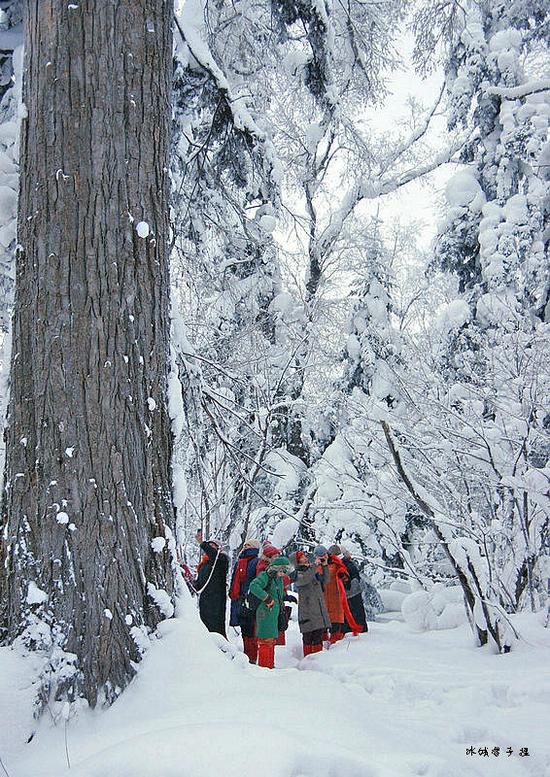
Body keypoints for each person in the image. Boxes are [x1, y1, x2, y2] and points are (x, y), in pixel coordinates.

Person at [248, 555, 292, 668]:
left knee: (271, 639)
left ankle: (270, 666)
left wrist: (287, 597)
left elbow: (278, 593)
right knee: (265, 639)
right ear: (276, 568)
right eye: (282, 571)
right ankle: (264, 667)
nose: (283, 574)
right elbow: (254, 586)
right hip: (265, 612)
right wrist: (267, 598)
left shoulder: (278, 579)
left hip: (273, 613)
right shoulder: (265, 575)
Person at [289, 550, 331, 657]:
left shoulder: (311, 570)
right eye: (302, 557)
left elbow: (325, 580)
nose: (305, 558)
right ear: (297, 561)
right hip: (307, 611)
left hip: (317, 610)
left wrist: (325, 566)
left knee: (318, 637)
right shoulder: (297, 574)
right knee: (308, 637)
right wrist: (314, 566)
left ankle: (317, 660)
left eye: (304, 556)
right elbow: (304, 580)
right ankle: (307, 662)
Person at [228, 538, 261, 663]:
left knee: (251, 630)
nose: (245, 547)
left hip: (249, 601)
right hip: (240, 600)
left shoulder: (255, 562)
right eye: (245, 545)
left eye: (248, 545)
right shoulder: (240, 562)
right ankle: (248, 656)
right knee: (245, 629)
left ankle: (252, 658)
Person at [193, 530, 229, 638]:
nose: (209, 548)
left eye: (213, 546)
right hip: (205, 600)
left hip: (216, 600)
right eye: (209, 546)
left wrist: (202, 543)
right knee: (205, 625)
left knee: (216, 628)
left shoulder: (222, 560)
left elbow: (214, 555)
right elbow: (199, 584)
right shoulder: (203, 565)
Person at [342, 548, 368, 634]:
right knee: (356, 613)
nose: (349, 554)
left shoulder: (347, 564)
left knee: (354, 613)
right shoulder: (346, 565)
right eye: (347, 552)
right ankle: (359, 629)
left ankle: (356, 629)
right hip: (352, 592)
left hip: (351, 592)